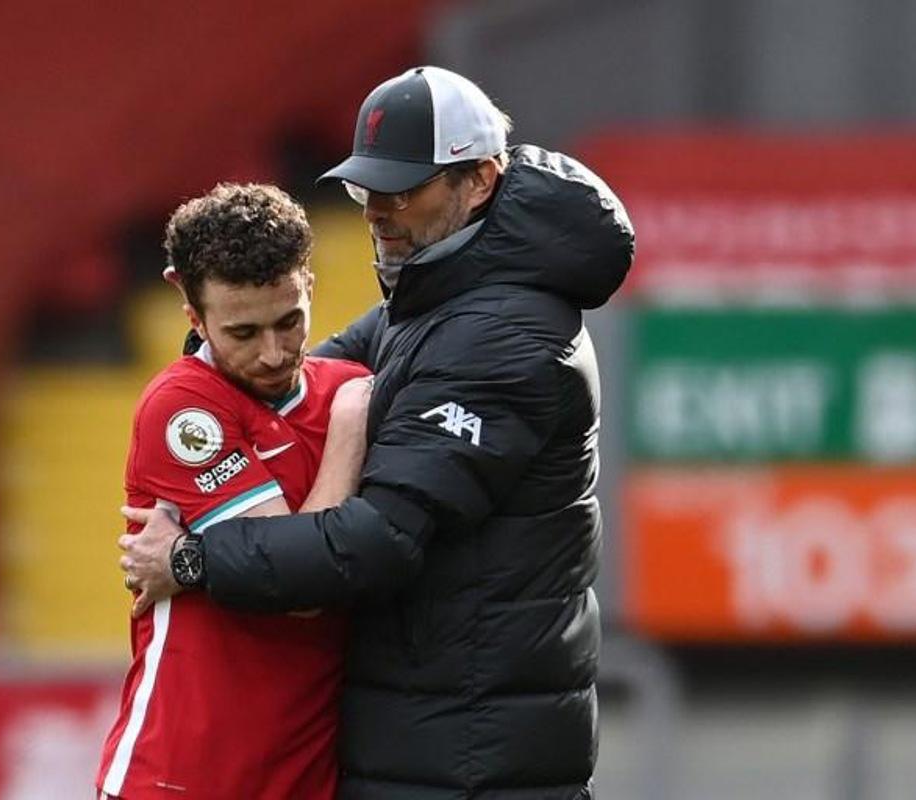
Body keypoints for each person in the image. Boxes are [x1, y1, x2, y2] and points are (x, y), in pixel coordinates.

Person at [120, 66, 635, 798]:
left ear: (480, 180)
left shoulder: (501, 335)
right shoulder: (435, 297)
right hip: (435, 742)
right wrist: (197, 412)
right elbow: (291, 391)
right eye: (367, 189)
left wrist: (190, 560)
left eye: (404, 189)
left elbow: (375, 541)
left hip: (470, 762)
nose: (377, 211)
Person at [96, 183, 372, 799]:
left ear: (310, 287)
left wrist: (187, 563)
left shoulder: (347, 386)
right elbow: (298, 582)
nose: (274, 353)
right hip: (181, 780)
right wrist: (351, 430)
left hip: (303, 782)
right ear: (192, 312)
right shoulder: (182, 407)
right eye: (243, 332)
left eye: (289, 321)